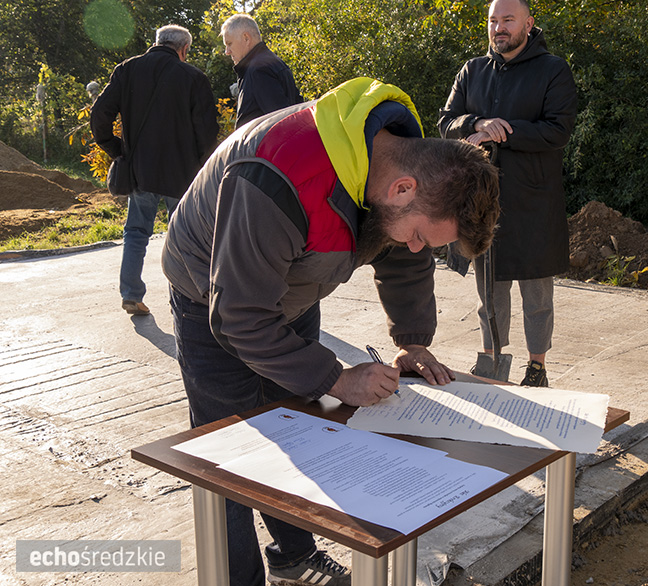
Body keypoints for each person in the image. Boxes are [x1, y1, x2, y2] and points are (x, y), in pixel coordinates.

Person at [162, 77, 500, 586]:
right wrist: (337, 379)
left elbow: (402, 258)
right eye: (420, 236)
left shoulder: (399, 164)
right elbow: (240, 315)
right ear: (402, 189)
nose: (417, 248)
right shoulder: (280, 172)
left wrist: (412, 340)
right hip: (211, 295)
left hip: (289, 289)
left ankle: (293, 556)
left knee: (296, 428)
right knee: (229, 455)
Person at [438, 0, 577, 386]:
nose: (499, 27)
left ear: (528, 24)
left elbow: (558, 130)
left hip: (534, 202)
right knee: (489, 289)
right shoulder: (472, 70)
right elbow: (446, 122)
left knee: (537, 294)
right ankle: (491, 361)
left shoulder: (553, 70)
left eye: (508, 20)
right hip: (481, 202)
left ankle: (537, 368)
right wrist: (477, 123)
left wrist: (503, 132)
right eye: (493, 20)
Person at [91, 24, 219, 316]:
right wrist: (204, 166)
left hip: (140, 171)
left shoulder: (127, 69)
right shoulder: (193, 77)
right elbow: (206, 131)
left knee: (136, 233)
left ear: (158, 42)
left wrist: (116, 148)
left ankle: (131, 294)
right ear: (184, 49)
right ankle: (189, 296)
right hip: (182, 174)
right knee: (186, 235)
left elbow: (100, 114)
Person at [220, 13, 303, 128]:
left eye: (229, 44)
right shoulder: (272, 62)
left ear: (246, 38)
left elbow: (281, 121)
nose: (227, 52)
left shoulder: (258, 70)